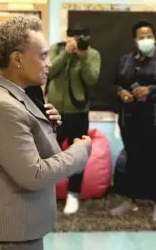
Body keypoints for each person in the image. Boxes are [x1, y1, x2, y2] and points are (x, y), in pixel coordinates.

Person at [0, 16, 91, 250]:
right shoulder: (3, 105)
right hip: (5, 232)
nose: (49, 63)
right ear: (17, 59)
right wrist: (79, 152)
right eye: (42, 56)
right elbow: (34, 174)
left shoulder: (9, 93)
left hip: (15, 228)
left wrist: (45, 125)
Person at [110, 20, 156, 221]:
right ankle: (131, 200)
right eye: (141, 36)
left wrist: (151, 90)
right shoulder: (126, 60)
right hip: (130, 119)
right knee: (132, 160)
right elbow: (115, 84)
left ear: (155, 37)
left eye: (149, 35)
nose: (145, 39)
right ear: (135, 40)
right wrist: (122, 92)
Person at [47, 23, 101, 214]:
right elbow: (48, 72)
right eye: (74, 36)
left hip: (78, 112)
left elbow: (92, 79)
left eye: (82, 36)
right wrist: (66, 54)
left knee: (77, 154)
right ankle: (45, 193)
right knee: (47, 152)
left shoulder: (92, 54)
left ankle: (73, 194)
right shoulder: (56, 48)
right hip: (54, 112)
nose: (78, 40)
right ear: (67, 37)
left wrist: (83, 58)